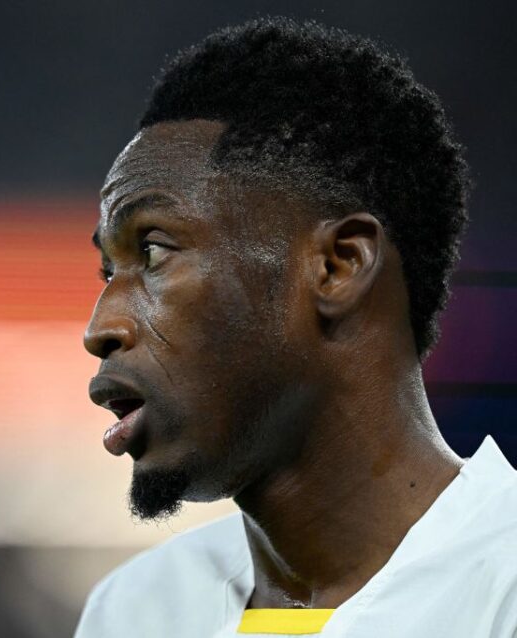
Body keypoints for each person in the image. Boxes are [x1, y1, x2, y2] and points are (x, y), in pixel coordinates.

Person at [76, 17, 517, 638]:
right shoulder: (135, 610)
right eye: (107, 271)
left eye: (152, 251)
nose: (101, 327)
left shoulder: (503, 584)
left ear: (338, 266)